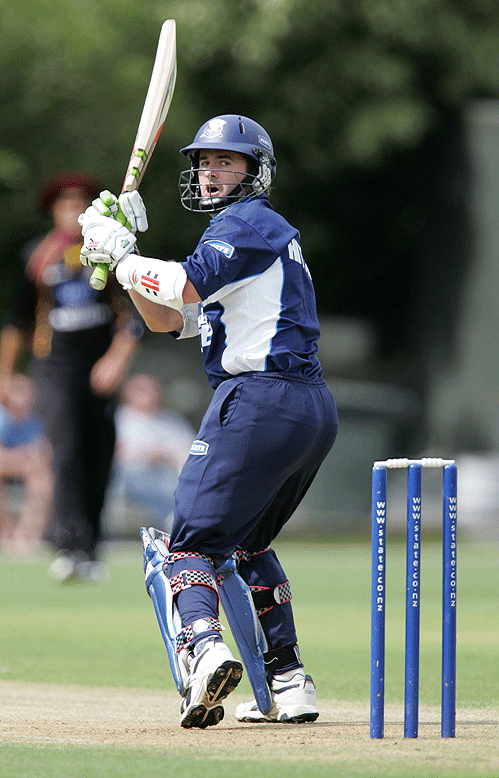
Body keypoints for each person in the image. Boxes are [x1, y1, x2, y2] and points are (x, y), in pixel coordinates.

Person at [79, 115, 338, 727]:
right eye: (204, 162)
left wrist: (121, 253)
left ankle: (204, 649)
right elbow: (168, 319)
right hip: (307, 409)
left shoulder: (249, 223)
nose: (210, 172)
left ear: (255, 170)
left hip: (259, 400)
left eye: (226, 161)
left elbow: (186, 285)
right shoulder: (247, 237)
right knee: (248, 545)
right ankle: (288, 679)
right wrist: (124, 260)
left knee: (187, 543)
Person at [0, 171, 143, 583]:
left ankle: (91, 547)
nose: (73, 210)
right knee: (64, 450)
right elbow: (16, 321)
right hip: (54, 368)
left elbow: (132, 317)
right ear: (53, 210)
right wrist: (7, 376)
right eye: (65, 204)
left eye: (81, 203)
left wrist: (116, 360)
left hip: (100, 369)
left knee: (99, 453)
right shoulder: (38, 256)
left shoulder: (110, 251)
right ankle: (67, 547)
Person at [110, 372, 195, 532]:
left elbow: (191, 451)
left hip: (171, 476)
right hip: (132, 478)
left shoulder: (171, 420)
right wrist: (146, 456)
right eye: (143, 390)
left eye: (154, 390)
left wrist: (167, 457)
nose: (151, 395)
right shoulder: (120, 420)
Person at [0, 373, 53, 554]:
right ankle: (5, 533)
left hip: (25, 468)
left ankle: (28, 534)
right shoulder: (2, 417)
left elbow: (43, 450)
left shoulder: (36, 420)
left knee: (43, 478)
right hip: (6, 467)